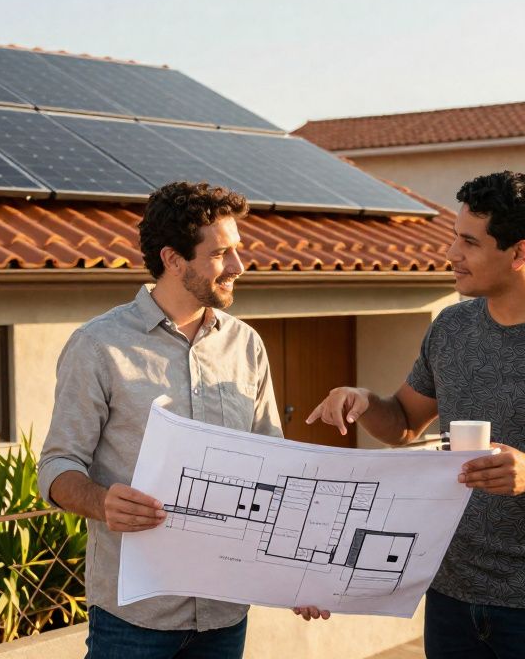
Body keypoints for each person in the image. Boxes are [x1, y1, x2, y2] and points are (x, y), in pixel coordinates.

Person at [306, 171, 525, 659]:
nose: (452, 254)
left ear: (519, 253)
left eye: (469, 242)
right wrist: (363, 400)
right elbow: (403, 421)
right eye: (454, 237)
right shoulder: (452, 327)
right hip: (450, 596)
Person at [39, 181, 328, 659]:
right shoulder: (97, 346)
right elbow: (56, 467)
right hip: (133, 619)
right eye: (221, 254)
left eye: (238, 250)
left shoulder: (247, 345)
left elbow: (275, 470)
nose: (238, 266)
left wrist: (301, 573)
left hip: (225, 615)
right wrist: (101, 502)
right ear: (174, 260)